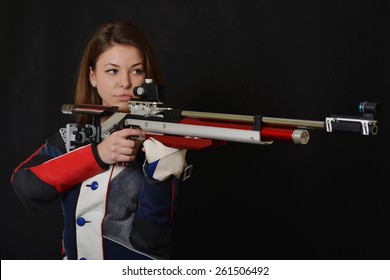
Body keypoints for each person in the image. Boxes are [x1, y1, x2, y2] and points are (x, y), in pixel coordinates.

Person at [10, 20, 187, 260]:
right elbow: (26, 186)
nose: (125, 82)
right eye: (112, 70)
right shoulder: (73, 137)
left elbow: (152, 241)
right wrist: (98, 155)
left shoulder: (160, 142)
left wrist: (159, 177)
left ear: (148, 78)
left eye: (136, 70)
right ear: (92, 76)